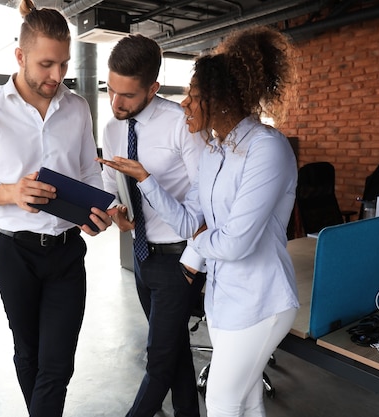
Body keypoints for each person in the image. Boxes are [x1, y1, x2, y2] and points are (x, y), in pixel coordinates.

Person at [98, 26, 300, 417]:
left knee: (223, 402)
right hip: (222, 297)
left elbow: (235, 242)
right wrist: (146, 181)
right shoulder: (216, 151)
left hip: (261, 296)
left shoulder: (266, 149)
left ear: (221, 99)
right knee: (248, 400)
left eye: (193, 95)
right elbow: (192, 219)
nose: (185, 104)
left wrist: (192, 254)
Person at [0, 1, 114, 416]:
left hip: (66, 250)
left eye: (62, 64)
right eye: (46, 64)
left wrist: (96, 213)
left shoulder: (76, 108)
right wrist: (7, 193)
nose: (56, 76)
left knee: (57, 364)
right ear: (20, 57)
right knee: (29, 353)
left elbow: (86, 174)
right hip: (13, 252)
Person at [100, 34, 205, 417]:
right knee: (174, 351)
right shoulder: (113, 126)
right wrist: (115, 210)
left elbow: (204, 200)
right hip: (142, 257)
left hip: (179, 260)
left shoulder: (181, 125)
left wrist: (193, 264)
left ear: (153, 88)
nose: (116, 103)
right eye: (111, 90)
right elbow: (111, 184)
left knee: (158, 360)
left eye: (127, 95)